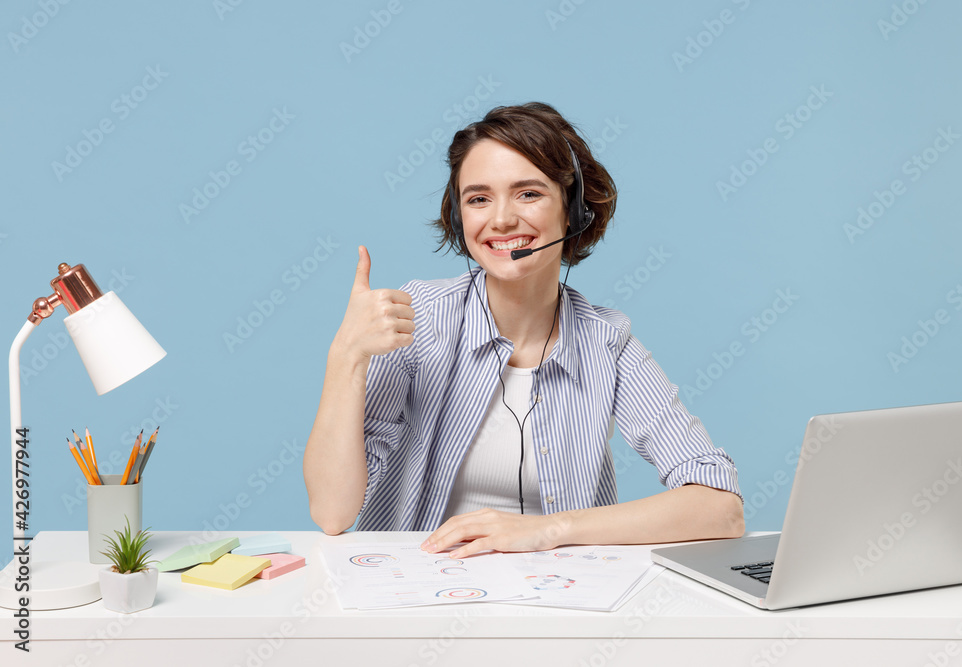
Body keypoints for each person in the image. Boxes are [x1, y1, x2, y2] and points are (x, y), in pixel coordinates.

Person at [304, 102, 743, 559]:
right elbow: (332, 512)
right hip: (423, 594)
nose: (501, 220)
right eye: (478, 199)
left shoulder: (606, 343)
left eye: (528, 194)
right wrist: (346, 355)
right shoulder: (420, 319)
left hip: (559, 600)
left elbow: (721, 508)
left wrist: (547, 529)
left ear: (573, 211)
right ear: (459, 217)